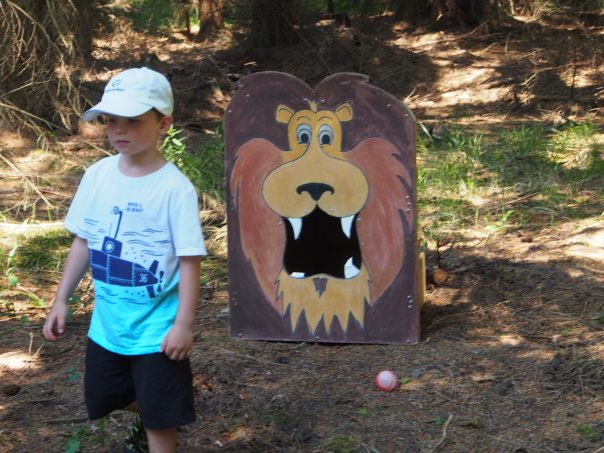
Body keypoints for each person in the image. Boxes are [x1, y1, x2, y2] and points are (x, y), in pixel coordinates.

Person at [43, 67, 207, 453]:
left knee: (160, 421)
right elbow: (84, 241)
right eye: (111, 120)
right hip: (107, 327)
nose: (119, 130)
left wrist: (184, 325)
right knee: (104, 396)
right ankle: (156, 411)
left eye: (133, 121)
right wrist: (61, 299)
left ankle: (160, 421)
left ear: (163, 124)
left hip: (157, 332)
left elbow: (189, 261)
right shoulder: (97, 176)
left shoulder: (174, 189)